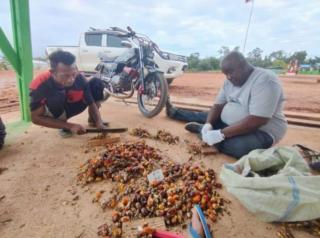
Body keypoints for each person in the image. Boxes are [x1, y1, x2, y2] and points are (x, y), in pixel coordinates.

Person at [166, 51, 287, 159]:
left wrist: (221, 134)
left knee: (240, 148)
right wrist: (208, 124)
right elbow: (218, 105)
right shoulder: (230, 81)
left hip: (261, 131)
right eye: (225, 74)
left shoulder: (265, 80)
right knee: (204, 115)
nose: (228, 77)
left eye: (231, 72)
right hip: (229, 124)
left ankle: (201, 131)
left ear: (243, 66)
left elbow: (257, 120)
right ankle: (178, 114)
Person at [29, 50, 107, 137]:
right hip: (55, 109)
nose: (71, 80)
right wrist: (70, 126)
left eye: (73, 74)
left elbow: (91, 102)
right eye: (65, 76)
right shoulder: (40, 84)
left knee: (96, 83)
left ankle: (93, 120)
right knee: (56, 97)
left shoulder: (79, 78)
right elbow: (35, 118)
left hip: (71, 104)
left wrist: (99, 122)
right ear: (52, 72)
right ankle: (62, 125)